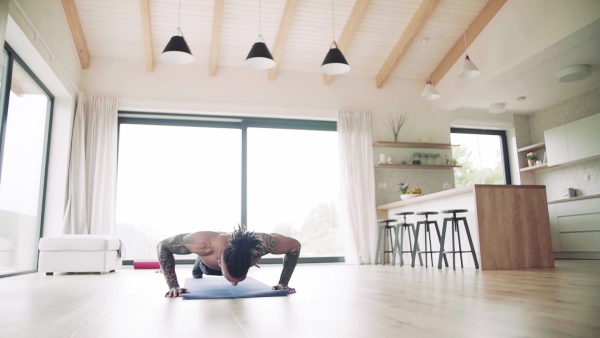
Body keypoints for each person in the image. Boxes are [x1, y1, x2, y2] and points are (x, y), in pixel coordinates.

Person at [157, 226, 301, 298]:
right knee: (200, 268)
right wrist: (173, 285)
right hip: (208, 265)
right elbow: (163, 246)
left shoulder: (262, 245)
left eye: (239, 280)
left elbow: (294, 245)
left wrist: (283, 282)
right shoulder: (203, 244)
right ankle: (198, 266)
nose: (234, 284)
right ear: (219, 262)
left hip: (219, 259)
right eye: (230, 279)